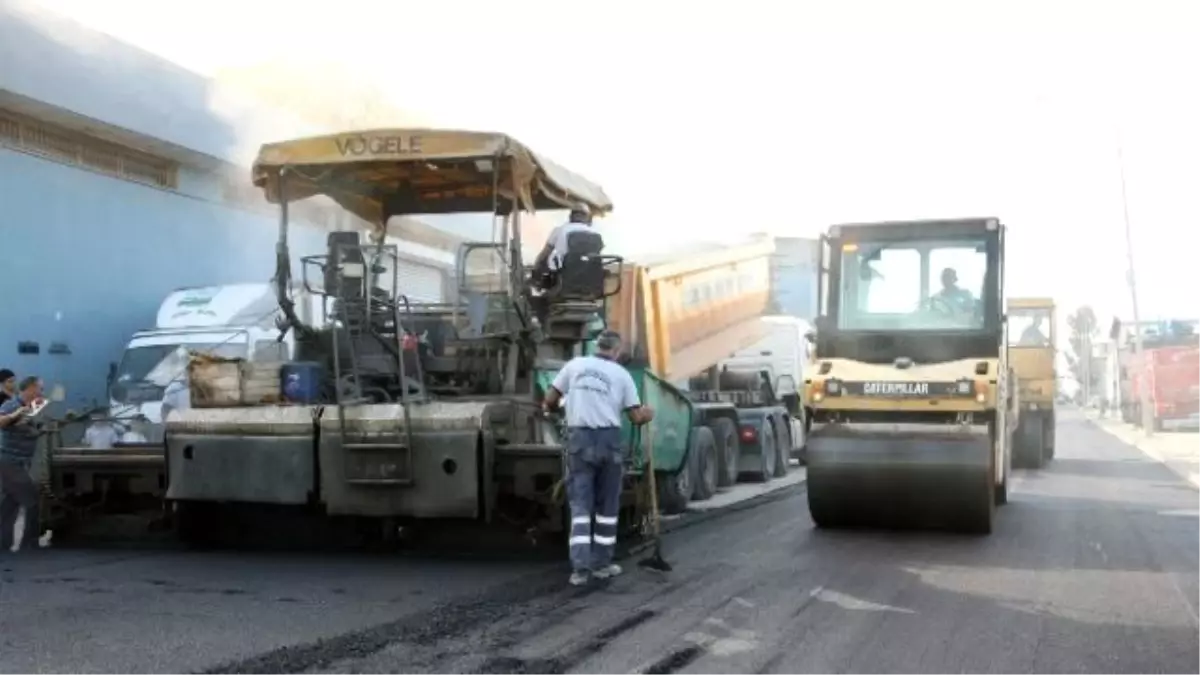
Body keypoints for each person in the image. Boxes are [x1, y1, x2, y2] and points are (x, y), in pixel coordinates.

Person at [543, 330, 654, 586]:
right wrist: (649, 414)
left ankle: (580, 570)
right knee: (607, 507)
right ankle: (601, 565)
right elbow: (636, 417)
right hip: (608, 442)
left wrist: (550, 409)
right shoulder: (622, 375)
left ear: (597, 346)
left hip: (579, 441)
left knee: (580, 507)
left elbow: (550, 399)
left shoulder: (574, 366)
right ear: (616, 351)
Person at [0, 376, 45, 553]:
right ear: (31, 388)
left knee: (10, 502)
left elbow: (33, 430)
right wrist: (17, 414)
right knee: (32, 498)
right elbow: (2, 422)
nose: (41, 392)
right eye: (40, 388)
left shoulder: (34, 408)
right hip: (9, 460)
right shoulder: (12, 405)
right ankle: (30, 542)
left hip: (21, 461)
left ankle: (3, 543)